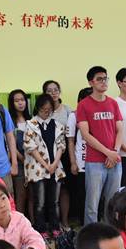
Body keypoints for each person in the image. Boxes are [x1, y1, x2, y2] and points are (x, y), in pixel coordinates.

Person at [78, 66, 124, 225]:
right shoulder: (84, 105)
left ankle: (110, 232)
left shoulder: (113, 103)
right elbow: (86, 134)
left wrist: (114, 152)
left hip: (115, 160)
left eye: (105, 78)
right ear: (91, 82)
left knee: (113, 202)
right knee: (92, 203)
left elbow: (120, 130)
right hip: (95, 161)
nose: (104, 82)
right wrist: (108, 153)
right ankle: (91, 234)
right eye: (99, 79)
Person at [24, 94, 66, 237]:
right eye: (43, 110)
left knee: (54, 201)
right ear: (38, 108)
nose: (46, 112)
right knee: (40, 202)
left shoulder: (58, 125)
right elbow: (30, 147)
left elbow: (61, 146)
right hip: (38, 168)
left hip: (55, 168)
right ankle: (41, 229)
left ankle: (55, 227)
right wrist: (46, 165)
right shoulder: (31, 124)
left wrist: (54, 164)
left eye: (49, 110)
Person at [44, 80, 77, 227]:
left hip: (65, 154)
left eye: (56, 89)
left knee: (65, 189)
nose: (53, 93)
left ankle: (65, 221)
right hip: (48, 155)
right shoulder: (43, 111)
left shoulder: (68, 110)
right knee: (51, 189)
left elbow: (73, 134)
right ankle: (53, 223)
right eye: (49, 90)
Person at [65, 88, 89, 227]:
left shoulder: (96, 114)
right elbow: (70, 141)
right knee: (82, 194)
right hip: (81, 161)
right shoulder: (74, 116)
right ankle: (83, 221)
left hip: (97, 161)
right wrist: (73, 162)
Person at [7, 89, 31, 216]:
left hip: (32, 162)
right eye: (16, 101)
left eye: (22, 100)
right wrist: (21, 157)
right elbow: (9, 142)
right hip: (18, 162)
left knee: (32, 195)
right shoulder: (9, 121)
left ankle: (32, 223)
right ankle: (19, 221)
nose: (20, 103)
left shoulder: (31, 119)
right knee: (20, 195)